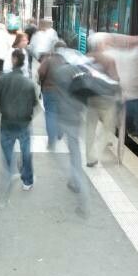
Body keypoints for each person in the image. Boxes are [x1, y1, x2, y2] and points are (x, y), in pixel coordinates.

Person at [0, 49, 38, 200]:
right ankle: (27, 181)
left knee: (7, 152)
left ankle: (9, 175)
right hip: (24, 123)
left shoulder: (2, 80)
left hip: (6, 122)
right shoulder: (29, 83)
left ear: (13, 60)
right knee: (26, 153)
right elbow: (34, 103)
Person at [51, 48, 90, 217]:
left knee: (66, 154)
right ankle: (74, 180)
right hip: (76, 116)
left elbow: (56, 95)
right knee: (75, 151)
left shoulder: (59, 72)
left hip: (64, 117)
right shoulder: (81, 72)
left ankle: (80, 191)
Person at [84, 33, 120, 167]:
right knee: (108, 127)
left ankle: (89, 157)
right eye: (105, 43)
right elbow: (115, 79)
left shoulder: (87, 57)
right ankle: (97, 152)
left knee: (90, 128)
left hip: (90, 98)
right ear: (100, 45)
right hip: (105, 100)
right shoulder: (108, 59)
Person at [38, 42, 65, 151]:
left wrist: (42, 80)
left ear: (54, 49)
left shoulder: (48, 60)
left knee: (50, 114)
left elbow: (41, 72)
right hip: (63, 92)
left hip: (49, 90)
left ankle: (51, 141)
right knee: (61, 113)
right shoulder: (66, 61)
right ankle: (60, 131)